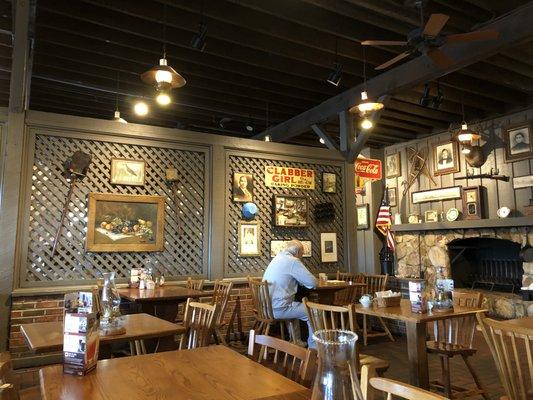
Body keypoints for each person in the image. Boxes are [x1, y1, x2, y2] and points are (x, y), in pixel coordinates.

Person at [262, 240, 317, 348]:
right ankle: (314, 348)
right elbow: (312, 283)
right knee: (314, 312)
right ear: (297, 252)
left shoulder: (277, 258)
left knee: (295, 304)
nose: (301, 257)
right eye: (302, 254)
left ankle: (295, 342)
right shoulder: (293, 261)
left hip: (265, 308)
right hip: (278, 309)